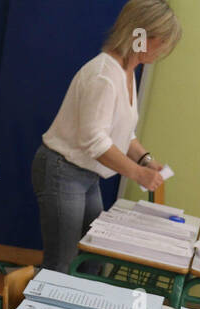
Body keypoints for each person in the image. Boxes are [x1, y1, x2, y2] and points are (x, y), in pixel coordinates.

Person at [31, 0, 181, 273]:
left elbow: (124, 132)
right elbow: (96, 143)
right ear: (141, 35)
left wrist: (146, 161)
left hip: (87, 176)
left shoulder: (127, 73)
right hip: (63, 170)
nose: (162, 50)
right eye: (161, 41)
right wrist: (137, 173)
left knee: (94, 257)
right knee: (60, 263)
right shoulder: (104, 75)